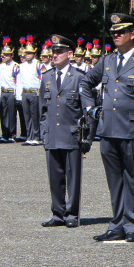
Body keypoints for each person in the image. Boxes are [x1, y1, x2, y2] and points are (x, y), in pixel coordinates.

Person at [82, 13, 134, 242]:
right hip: (108, 130)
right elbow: (86, 84)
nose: (115, 36)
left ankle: (132, 225)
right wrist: (90, 109)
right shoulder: (107, 61)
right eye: (114, 32)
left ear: (132, 34)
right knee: (114, 181)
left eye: (120, 32)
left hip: (132, 130)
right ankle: (116, 223)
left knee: (133, 180)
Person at [39, 35, 95, 228]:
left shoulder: (79, 77)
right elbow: (43, 109)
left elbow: (88, 109)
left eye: (59, 52)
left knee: (72, 178)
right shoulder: (47, 77)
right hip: (52, 135)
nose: (54, 55)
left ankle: (72, 214)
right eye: (53, 52)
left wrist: (87, 136)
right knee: (55, 176)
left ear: (69, 54)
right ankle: (58, 213)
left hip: (72, 134)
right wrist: (43, 132)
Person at [16, 36, 42, 146]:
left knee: (34, 115)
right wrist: (18, 96)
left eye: (30, 53)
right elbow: (19, 81)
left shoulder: (38, 65)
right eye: (26, 53)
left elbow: (42, 79)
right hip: (25, 92)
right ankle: (29, 136)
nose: (27, 55)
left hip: (34, 92)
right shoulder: (21, 66)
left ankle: (35, 136)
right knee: (26, 115)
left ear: (34, 54)